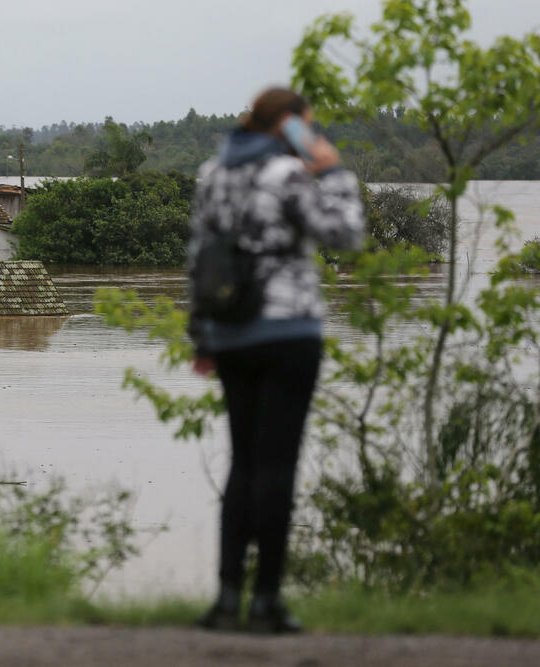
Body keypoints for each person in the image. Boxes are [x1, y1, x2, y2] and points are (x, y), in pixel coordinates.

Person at [187, 87, 365, 633]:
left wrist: (202, 338)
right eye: (306, 126)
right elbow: (347, 234)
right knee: (277, 466)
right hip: (288, 333)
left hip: (232, 335)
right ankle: (267, 601)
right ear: (289, 126)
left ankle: (225, 599)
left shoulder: (211, 173)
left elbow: (199, 258)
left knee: (243, 463)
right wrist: (332, 173)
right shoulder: (290, 174)